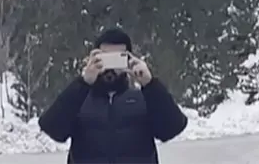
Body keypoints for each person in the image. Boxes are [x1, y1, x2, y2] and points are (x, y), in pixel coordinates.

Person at [38, 27, 188, 163]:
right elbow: (52, 128)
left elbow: (173, 128)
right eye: (105, 59)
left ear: (128, 60)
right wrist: (83, 82)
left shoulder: (144, 98)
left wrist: (150, 84)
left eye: (117, 59)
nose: (110, 68)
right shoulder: (79, 99)